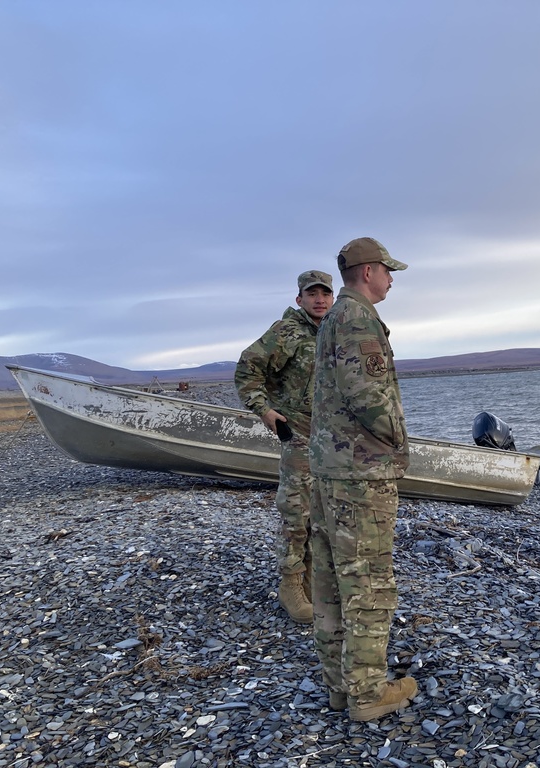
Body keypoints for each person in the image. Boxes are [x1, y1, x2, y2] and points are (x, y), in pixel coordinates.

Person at [308, 236, 418, 721]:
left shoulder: (334, 317)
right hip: (361, 473)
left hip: (333, 469)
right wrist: (398, 444)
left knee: (332, 578)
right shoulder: (357, 317)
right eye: (388, 271)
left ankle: (339, 684)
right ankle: (369, 693)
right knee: (369, 582)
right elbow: (368, 396)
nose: (391, 279)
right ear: (369, 271)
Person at [235, 269, 335, 624]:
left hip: (333, 439)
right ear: (299, 299)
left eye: (325, 293)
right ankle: (290, 585)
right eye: (312, 294)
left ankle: (311, 580)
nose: (319, 299)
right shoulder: (285, 332)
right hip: (299, 434)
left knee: (323, 512)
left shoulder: (337, 331)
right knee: (296, 511)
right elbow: (247, 370)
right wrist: (263, 410)